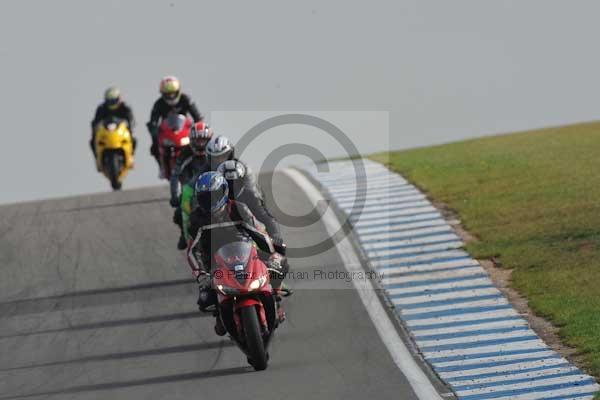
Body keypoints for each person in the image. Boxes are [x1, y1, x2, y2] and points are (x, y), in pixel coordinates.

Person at [186, 172, 286, 335]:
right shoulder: (197, 218)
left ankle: (275, 300)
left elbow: (259, 233)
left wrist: (271, 254)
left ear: (224, 192)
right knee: (205, 299)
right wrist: (200, 275)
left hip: (245, 251)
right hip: (213, 260)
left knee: (279, 266)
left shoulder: (239, 208)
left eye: (214, 195)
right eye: (206, 198)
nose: (211, 202)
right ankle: (220, 314)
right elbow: (191, 251)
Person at [146, 76, 203, 175]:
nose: (171, 96)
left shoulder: (186, 99)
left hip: (184, 130)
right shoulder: (158, 104)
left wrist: (199, 123)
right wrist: (153, 128)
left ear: (178, 91)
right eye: (168, 94)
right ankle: (162, 166)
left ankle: (202, 164)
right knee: (154, 147)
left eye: (173, 93)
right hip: (167, 131)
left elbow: (197, 116)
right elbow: (153, 121)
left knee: (201, 142)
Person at [170, 122, 213, 250]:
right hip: (192, 189)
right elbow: (175, 175)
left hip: (214, 188)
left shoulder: (213, 152)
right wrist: (174, 195)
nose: (200, 143)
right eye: (197, 140)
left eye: (203, 140)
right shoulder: (185, 153)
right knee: (179, 213)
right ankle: (185, 234)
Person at [90, 87, 136, 164]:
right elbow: (96, 121)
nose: (112, 103)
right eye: (110, 101)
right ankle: (97, 157)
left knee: (133, 140)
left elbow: (131, 119)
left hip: (121, 130)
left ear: (119, 99)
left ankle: (130, 155)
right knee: (92, 141)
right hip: (105, 130)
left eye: (113, 100)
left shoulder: (125, 107)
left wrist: (130, 126)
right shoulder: (101, 108)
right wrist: (95, 128)